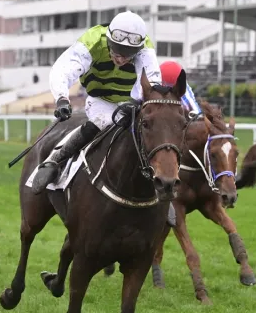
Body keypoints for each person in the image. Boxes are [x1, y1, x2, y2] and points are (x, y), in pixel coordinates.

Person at [30, 10, 162, 194]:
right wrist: (61, 98)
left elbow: (152, 82)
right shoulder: (92, 40)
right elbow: (63, 70)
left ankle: (161, 187)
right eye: (117, 50)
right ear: (108, 39)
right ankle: (55, 159)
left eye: (128, 53)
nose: (121, 58)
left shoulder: (145, 48)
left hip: (131, 102)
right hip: (101, 100)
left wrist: (140, 104)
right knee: (103, 122)